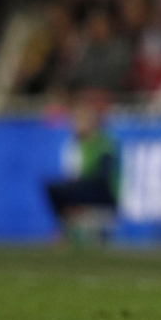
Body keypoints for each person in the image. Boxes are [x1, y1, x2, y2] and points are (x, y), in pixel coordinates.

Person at [46, 91, 120, 236]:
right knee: (55, 189)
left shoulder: (102, 143)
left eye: (81, 120)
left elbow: (103, 173)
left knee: (65, 190)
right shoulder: (73, 145)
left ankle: (67, 228)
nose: (76, 124)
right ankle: (66, 227)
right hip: (81, 186)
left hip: (101, 191)